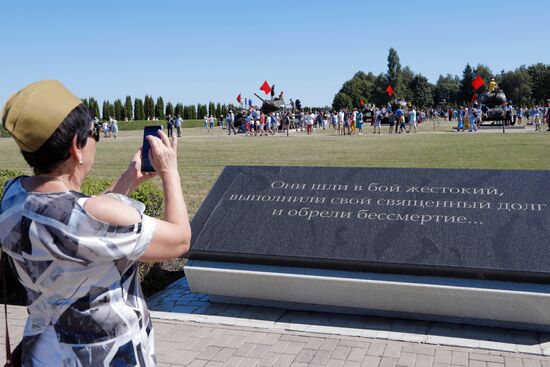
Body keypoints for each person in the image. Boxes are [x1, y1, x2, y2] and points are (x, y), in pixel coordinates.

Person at [0, 80, 191, 366]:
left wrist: (128, 179)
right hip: (107, 355)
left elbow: (78, 222)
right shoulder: (92, 214)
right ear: (77, 148)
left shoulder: (13, 194)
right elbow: (179, 239)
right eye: (94, 133)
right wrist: (169, 172)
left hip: (43, 352)